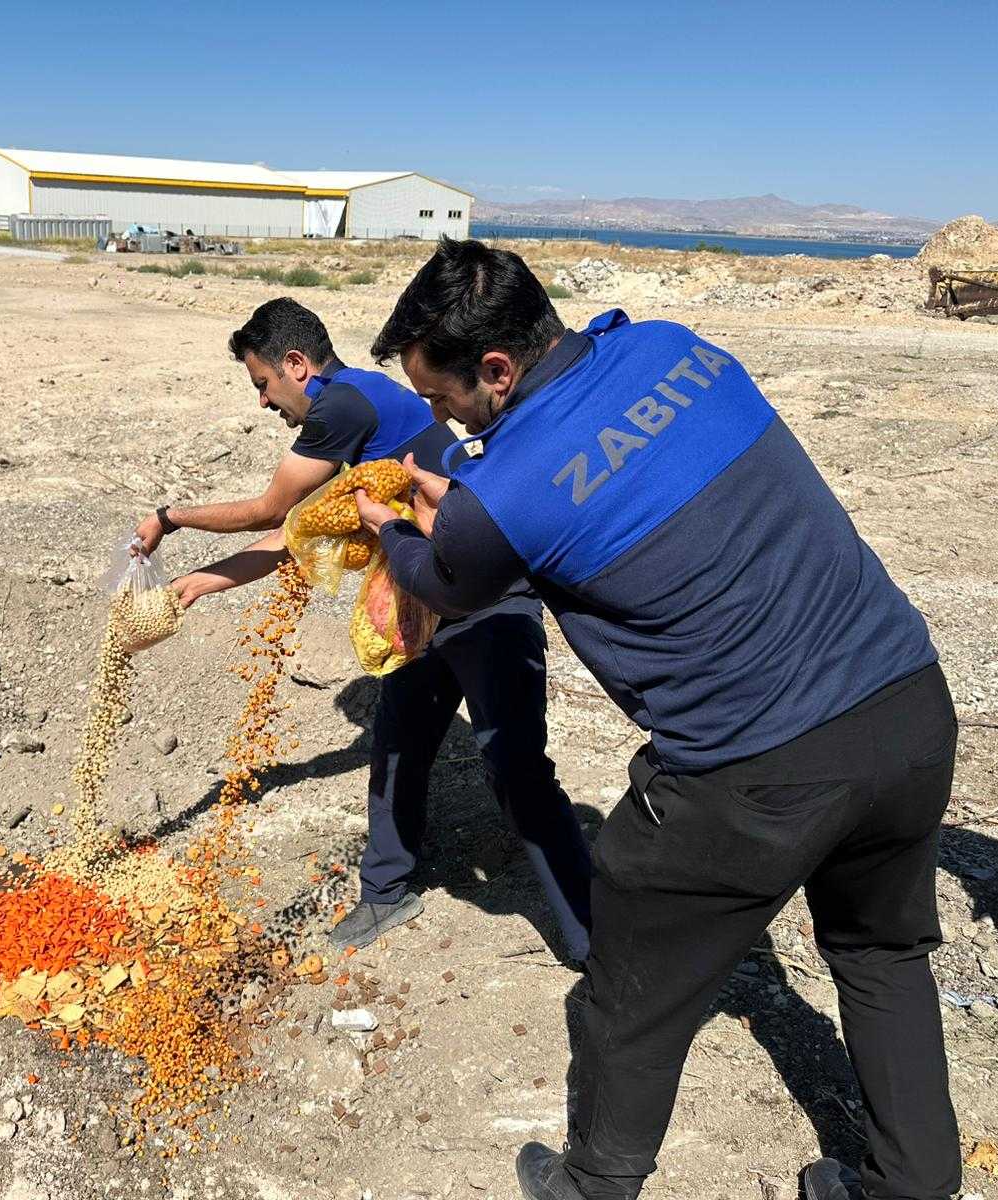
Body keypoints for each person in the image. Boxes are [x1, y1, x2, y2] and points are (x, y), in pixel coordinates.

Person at [351, 237, 959, 1200]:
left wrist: (392, 528)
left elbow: (445, 577)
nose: (436, 417)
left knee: (628, 990)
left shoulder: (496, 500)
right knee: (882, 954)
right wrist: (469, 504)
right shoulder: (676, 347)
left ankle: (593, 1184)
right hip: (906, 704)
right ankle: (915, 1187)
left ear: (497, 369)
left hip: (752, 774)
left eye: (441, 396)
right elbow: (592, 468)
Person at [133, 297, 592, 957]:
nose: (263, 402)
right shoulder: (356, 409)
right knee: (397, 743)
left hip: (487, 595)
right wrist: (200, 583)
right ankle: (386, 892)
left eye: (263, 383)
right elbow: (293, 535)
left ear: (296, 364)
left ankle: (595, 938)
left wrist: (168, 517)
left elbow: (270, 510)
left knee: (517, 769)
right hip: (421, 595)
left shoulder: (343, 405)